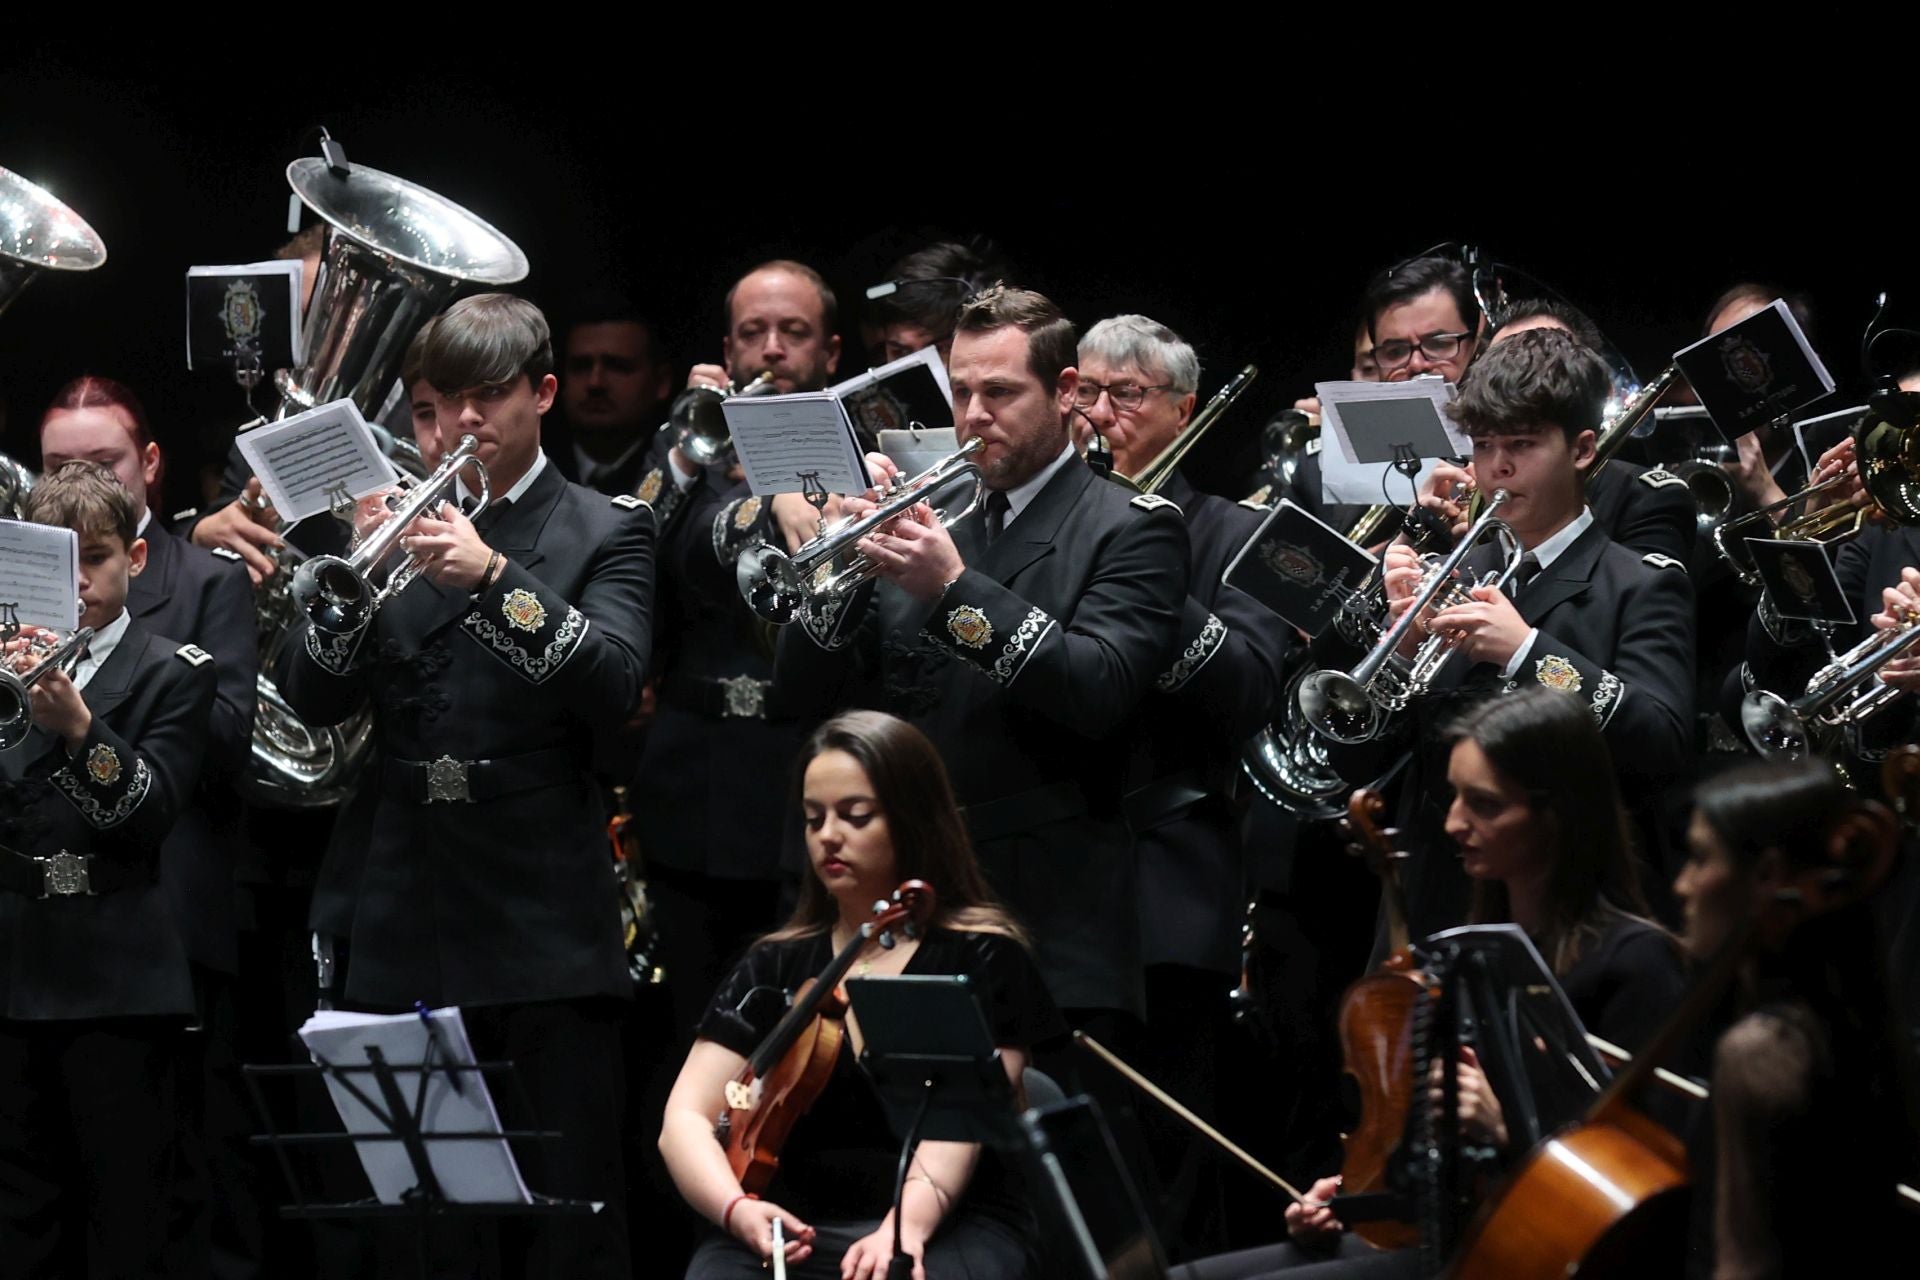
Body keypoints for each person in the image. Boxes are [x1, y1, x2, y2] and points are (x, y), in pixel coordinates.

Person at [281, 292, 654, 1279]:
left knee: (565, 1227)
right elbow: (312, 699)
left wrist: (490, 577)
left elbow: (615, 685)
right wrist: (340, 579)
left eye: (483, 400)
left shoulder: (603, 529)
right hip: (405, 912)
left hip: (544, 924)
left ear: (541, 392)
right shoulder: (391, 530)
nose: (457, 430)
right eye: (430, 409)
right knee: (424, 1229)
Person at [774, 284, 1192, 1026]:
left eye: (999, 392)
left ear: (1066, 392)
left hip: (1054, 922)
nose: (972, 416)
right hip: (912, 908)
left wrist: (953, 591)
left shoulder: (1132, 527)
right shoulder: (934, 514)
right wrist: (833, 571)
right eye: (960, 390)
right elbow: (800, 698)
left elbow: (1097, 689)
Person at [1177, 688, 1688, 1279]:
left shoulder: (1637, 962)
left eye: (1485, 805)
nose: (1453, 823)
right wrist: (1351, 1198)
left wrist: (1506, 1126)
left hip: (1529, 1251)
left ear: (1559, 815)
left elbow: (1647, 1185)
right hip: (1448, 1230)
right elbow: (1449, 1160)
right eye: (1453, 798)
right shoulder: (1476, 948)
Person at [658, 710, 1064, 1280]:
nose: (829, 835)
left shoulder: (980, 955)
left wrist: (905, 1228)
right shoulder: (774, 964)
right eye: (813, 818)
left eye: (855, 816)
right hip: (794, 1223)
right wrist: (737, 1211)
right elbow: (684, 1117)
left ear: (913, 820)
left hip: (949, 1222)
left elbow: (957, 1123)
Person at [1324, 326, 1695, 942]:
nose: (1496, 467)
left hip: (1564, 919)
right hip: (1429, 910)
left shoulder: (1638, 584)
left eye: (1521, 444)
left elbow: (1660, 745)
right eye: (1484, 445)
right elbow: (1352, 759)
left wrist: (1526, 650)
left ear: (1581, 450)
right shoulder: (1453, 575)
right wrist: (1399, 652)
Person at [37, 375, 261, 1276]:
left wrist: (108, 675)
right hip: (41, 927)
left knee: (172, 1181)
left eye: (103, 462)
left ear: (149, 466)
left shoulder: (199, 580)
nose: (83, 474)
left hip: (166, 911)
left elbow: (223, 746)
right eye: (60, 465)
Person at [1076, 314, 1291, 1252]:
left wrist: (1150, 573)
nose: (1100, 413)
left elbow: (1247, 691)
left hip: (1169, 877)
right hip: (1050, 876)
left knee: (1168, 1163)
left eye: (1127, 395)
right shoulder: (1048, 518)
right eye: (1084, 391)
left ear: (1185, 410)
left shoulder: (1240, 531)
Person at [0, 461, 216, 1278]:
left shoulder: (173, 671)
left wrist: (81, 728)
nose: (78, 581)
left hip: (120, 977)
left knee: (124, 1222)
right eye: (56, 562)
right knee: (19, 1221)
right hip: (16, 970)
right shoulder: (3, 664)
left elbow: (152, 817)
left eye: (93, 558)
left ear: (136, 557)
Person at [625, 259, 845, 1045]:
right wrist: (685, 444)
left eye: (795, 332)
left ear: (831, 353)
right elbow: (631, 541)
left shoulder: (861, 459)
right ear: (727, 347)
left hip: (805, 772)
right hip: (694, 779)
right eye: (754, 333)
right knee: (694, 1022)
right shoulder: (690, 452)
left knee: (803, 1036)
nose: (773, 351)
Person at [1675, 759, 1916, 1273]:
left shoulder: (1761, 1052)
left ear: (1768, 876)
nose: (1682, 885)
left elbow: (1745, 1261)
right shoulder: (1851, 1016)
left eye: (1699, 858)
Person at [551, 294, 675, 495]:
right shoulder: (528, 469)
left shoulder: (679, 474)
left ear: (661, 382)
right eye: (581, 367)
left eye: (617, 367)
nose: (595, 383)